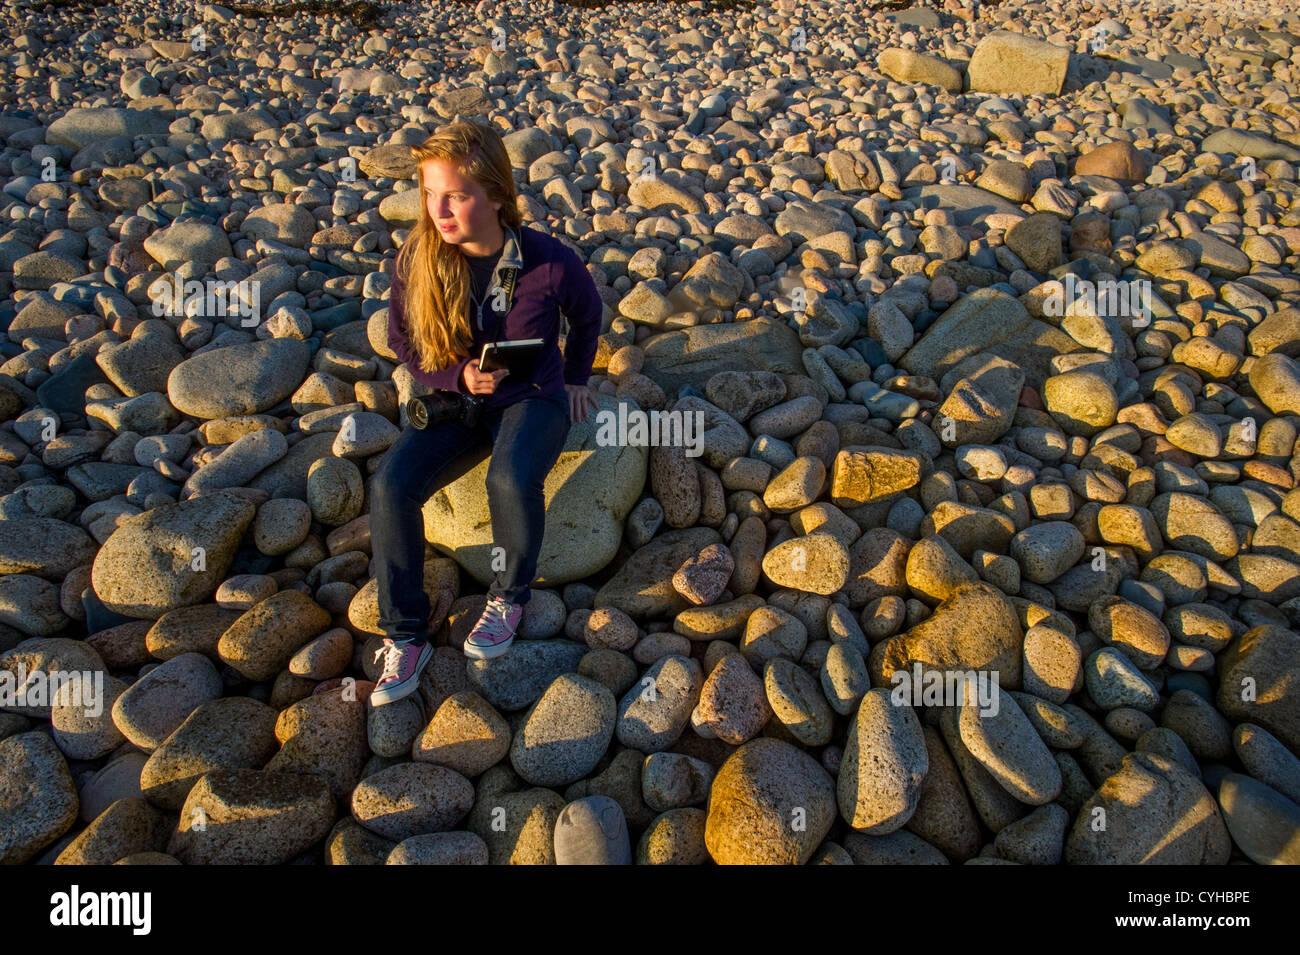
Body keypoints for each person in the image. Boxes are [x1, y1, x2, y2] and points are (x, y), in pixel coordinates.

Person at [368, 119, 603, 706]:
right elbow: (405, 344)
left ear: (498, 195)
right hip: (452, 400)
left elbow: (589, 314)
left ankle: (508, 598)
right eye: (429, 193)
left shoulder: (548, 260)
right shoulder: (415, 260)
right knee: (392, 486)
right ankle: (406, 634)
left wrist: (575, 378)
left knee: (509, 476)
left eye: (457, 195)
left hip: (531, 398)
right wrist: (455, 376)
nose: (439, 209)